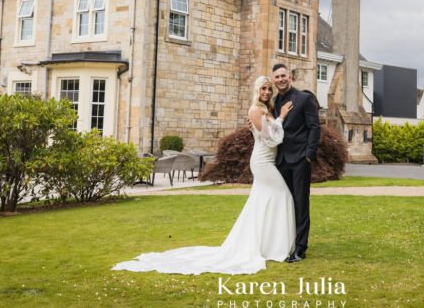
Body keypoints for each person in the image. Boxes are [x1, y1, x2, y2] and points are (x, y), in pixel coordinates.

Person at [111, 76, 295, 275]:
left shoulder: (266, 110)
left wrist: (274, 118)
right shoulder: (255, 109)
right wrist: (282, 118)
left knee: (262, 202)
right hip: (262, 162)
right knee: (283, 196)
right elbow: (271, 139)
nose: (266, 92)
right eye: (263, 89)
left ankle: (267, 246)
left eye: (269, 89)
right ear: (257, 90)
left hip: (266, 160)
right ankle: (276, 246)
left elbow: (263, 134)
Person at [270, 63, 321, 263]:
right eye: (277, 77)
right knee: (284, 203)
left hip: (300, 159)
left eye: (283, 75)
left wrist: (309, 155)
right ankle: (286, 243)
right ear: (273, 80)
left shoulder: (305, 98)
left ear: (290, 76)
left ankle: (300, 248)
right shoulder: (274, 102)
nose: (281, 79)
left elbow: (314, 127)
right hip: (280, 160)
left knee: (301, 203)